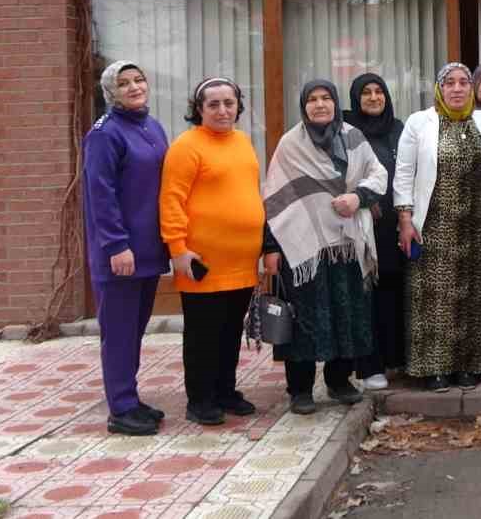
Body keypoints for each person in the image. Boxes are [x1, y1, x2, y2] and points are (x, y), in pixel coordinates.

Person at [261, 80, 390, 413]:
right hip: (304, 245)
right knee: (305, 316)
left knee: (347, 313)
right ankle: (300, 389)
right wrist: (270, 247)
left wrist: (357, 197)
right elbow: (275, 198)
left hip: (347, 242)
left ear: (335, 102)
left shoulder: (353, 136)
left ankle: (338, 381)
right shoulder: (291, 144)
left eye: (326, 98)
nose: (320, 105)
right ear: (304, 105)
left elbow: (378, 175)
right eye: (313, 100)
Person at [160, 77, 265, 426]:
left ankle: (225, 391)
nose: (223, 110)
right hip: (201, 262)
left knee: (230, 331)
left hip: (241, 261)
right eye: (213, 104)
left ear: (238, 106)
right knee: (203, 335)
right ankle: (200, 399)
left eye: (229, 103)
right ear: (199, 109)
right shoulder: (186, 146)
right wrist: (178, 249)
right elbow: (171, 200)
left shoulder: (244, 142)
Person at [393, 63, 481, 392]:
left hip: (477, 223)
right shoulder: (420, 123)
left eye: (463, 83)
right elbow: (404, 172)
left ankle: (469, 365)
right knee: (435, 297)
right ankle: (434, 368)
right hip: (434, 224)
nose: (457, 89)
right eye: (449, 83)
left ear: (472, 88)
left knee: (473, 294)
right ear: (439, 88)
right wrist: (405, 218)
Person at [83, 61, 170, 436]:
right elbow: (100, 195)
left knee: (135, 329)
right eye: (123, 83)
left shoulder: (152, 127)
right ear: (110, 92)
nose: (134, 87)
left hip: (149, 250)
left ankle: (129, 397)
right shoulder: (105, 134)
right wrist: (116, 245)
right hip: (120, 254)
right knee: (118, 332)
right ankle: (120, 408)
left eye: (139, 80)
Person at [344, 73, 409, 390]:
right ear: (356, 98)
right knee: (368, 294)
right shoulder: (347, 132)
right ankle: (371, 365)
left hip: (400, 224)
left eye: (378, 91)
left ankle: (398, 359)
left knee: (396, 292)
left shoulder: (399, 128)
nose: (373, 97)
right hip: (366, 227)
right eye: (366, 93)